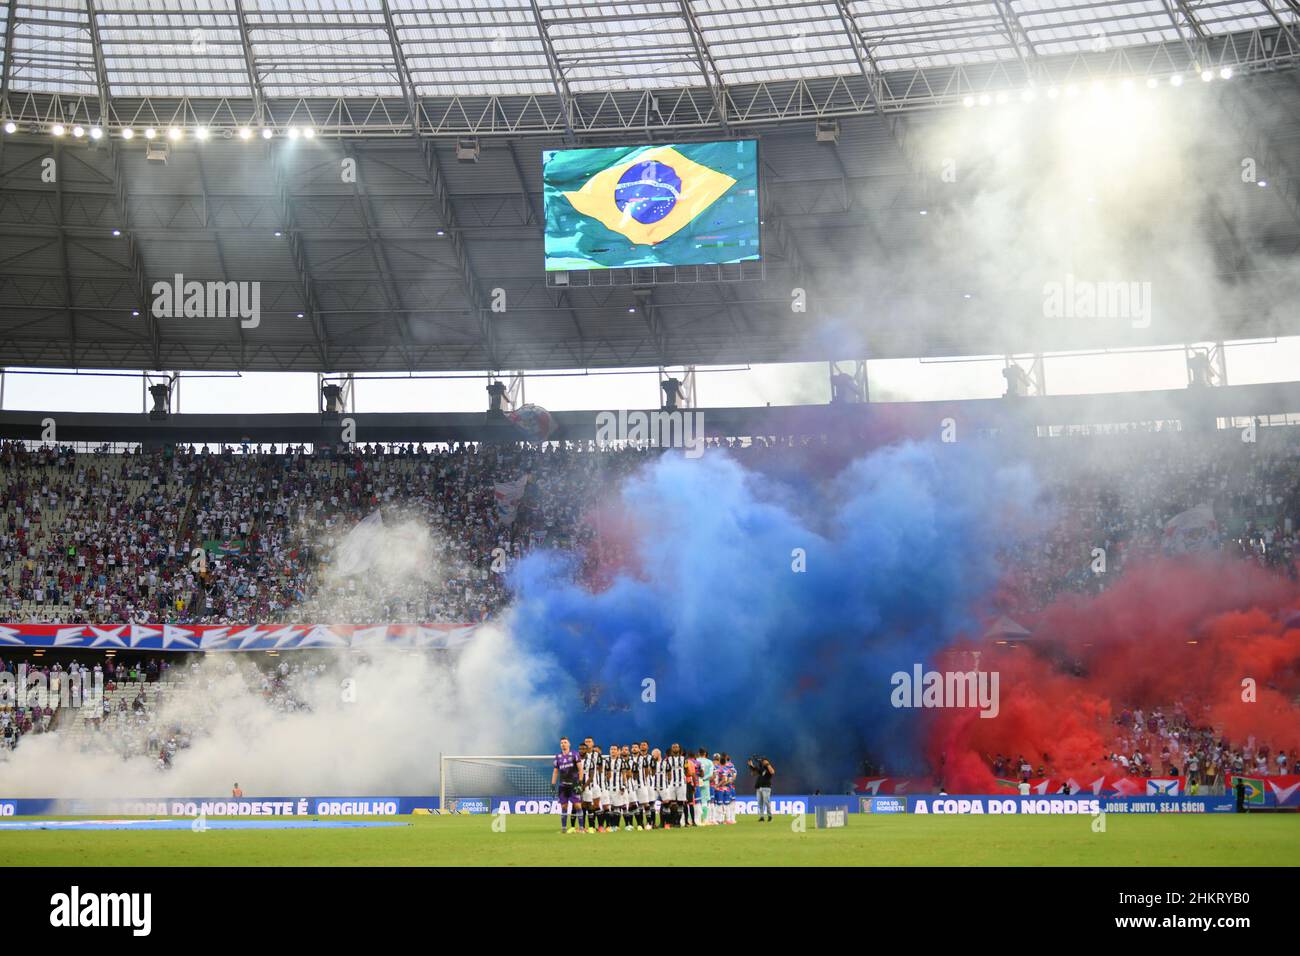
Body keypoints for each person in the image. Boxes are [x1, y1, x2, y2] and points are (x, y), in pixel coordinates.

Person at [551, 736, 581, 834]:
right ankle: (563, 828)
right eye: (562, 743)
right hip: (563, 787)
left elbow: (581, 769)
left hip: (573, 785)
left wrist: (579, 783)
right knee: (564, 806)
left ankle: (581, 828)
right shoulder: (558, 757)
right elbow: (555, 772)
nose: (563, 744)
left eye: (565, 742)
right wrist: (552, 784)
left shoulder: (575, 754)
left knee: (577, 806)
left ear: (569, 744)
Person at [750, 756, 775, 821]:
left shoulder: (768, 768)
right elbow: (753, 773)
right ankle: (762, 817)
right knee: (760, 803)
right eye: (762, 761)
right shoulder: (762, 769)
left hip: (766, 787)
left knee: (767, 802)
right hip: (759, 787)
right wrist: (751, 765)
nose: (762, 762)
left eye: (763, 761)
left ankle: (770, 816)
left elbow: (772, 772)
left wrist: (768, 764)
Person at [695, 749, 714, 825]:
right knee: (705, 801)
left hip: (696, 782)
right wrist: (704, 778)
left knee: (696, 801)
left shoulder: (696, 760)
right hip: (705, 783)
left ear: (698, 753)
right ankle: (705, 820)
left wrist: (699, 778)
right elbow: (710, 774)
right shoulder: (709, 762)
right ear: (705, 753)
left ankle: (695, 820)